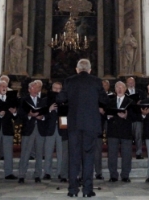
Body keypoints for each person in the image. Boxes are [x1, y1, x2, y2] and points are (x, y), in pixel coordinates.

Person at [56, 59, 108, 197]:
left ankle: (72, 190)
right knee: (89, 157)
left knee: (73, 157)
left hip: (74, 124)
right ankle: (87, 190)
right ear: (90, 70)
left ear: (77, 69)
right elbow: (105, 100)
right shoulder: (96, 81)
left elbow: (60, 99)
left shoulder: (69, 81)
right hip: (91, 124)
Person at [17, 81, 47, 184]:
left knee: (39, 153)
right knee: (25, 153)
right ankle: (21, 175)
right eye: (34, 88)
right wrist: (29, 115)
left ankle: (37, 175)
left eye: (37, 88)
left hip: (40, 129)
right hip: (28, 129)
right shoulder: (23, 100)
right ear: (29, 89)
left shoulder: (42, 101)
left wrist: (42, 117)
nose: (36, 90)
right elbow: (20, 115)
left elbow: (46, 114)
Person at [106, 81, 134, 183]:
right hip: (113, 130)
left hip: (125, 131)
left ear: (125, 89)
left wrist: (126, 116)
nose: (119, 89)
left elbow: (135, 116)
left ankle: (125, 175)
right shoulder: (110, 101)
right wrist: (108, 116)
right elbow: (106, 113)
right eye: (117, 87)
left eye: (121, 87)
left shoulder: (130, 101)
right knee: (112, 154)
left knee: (126, 154)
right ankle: (113, 175)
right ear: (115, 89)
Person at [0, 81, 18, 181]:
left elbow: (16, 116)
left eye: (6, 86)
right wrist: (0, 114)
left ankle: (9, 173)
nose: (4, 88)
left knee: (8, 151)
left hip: (7, 128)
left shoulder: (11, 99)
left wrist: (14, 112)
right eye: (2, 86)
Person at [43, 82, 63, 180]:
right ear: (51, 89)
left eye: (59, 89)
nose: (56, 90)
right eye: (55, 88)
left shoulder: (64, 100)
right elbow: (42, 115)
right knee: (48, 151)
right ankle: (47, 172)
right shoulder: (46, 100)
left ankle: (60, 172)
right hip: (50, 128)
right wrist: (49, 110)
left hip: (61, 128)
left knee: (61, 152)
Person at [125, 77, 146, 159]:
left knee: (138, 136)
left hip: (137, 116)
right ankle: (128, 153)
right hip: (128, 117)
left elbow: (145, 102)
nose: (131, 84)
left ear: (135, 83)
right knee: (128, 137)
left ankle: (139, 153)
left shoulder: (140, 92)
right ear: (126, 83)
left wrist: (140, 103)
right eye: (129, 82)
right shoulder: (124, 92)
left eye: (132, 82)